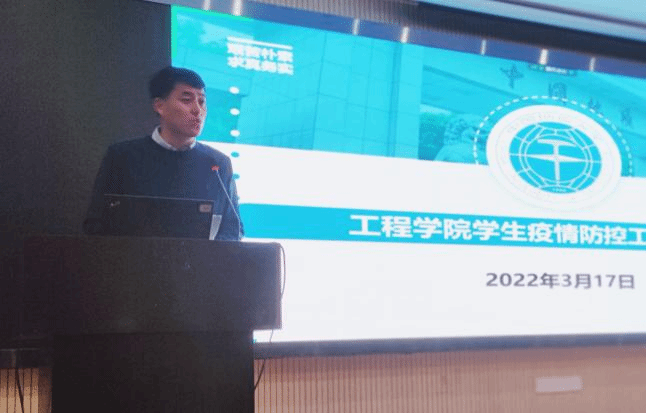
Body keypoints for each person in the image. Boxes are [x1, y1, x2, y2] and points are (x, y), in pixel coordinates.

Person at [83, 66, 243, 240]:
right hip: (133, 256)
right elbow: (95, 223)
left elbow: (234, 229)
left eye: (202, 101)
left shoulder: (218, 163)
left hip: (200, 258)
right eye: (186, 100)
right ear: (159, 106)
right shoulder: (122, 157)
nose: (197, 110)